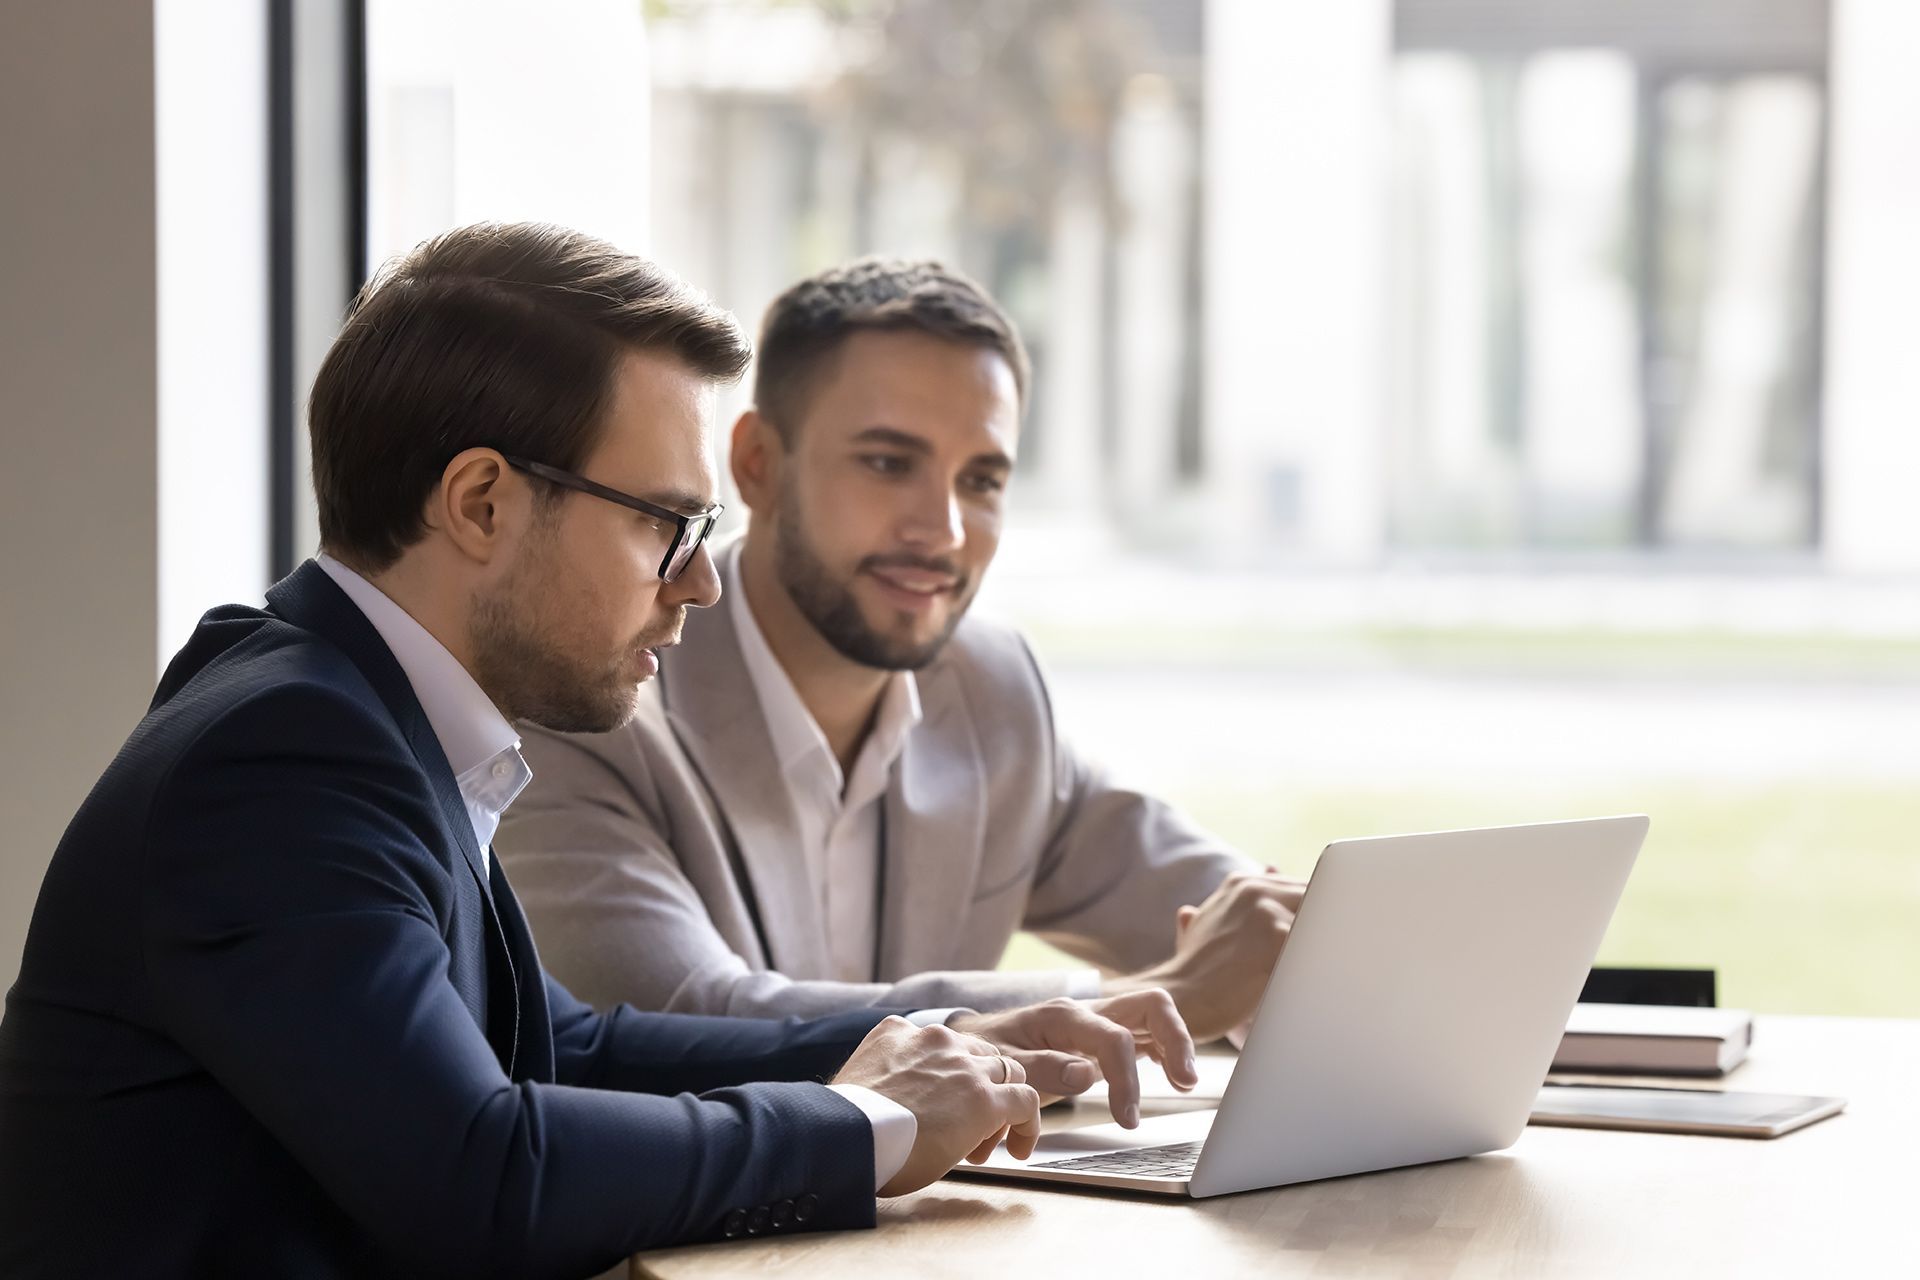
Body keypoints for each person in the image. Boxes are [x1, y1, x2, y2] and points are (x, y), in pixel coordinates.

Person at [0, 224, 1196, 1280]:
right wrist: (870, 1124)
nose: (702, 580)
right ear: (479, 502)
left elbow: (564, 1045)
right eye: (666, 524)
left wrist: (936, 1044)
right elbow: (484, 1177)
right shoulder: (284, 758)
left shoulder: (346, 708)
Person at [496, 258, 1305, 1044]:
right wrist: (1154, 1004)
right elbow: (692, 1020)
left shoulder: (990, 689)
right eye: (888, 464)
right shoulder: (592, 695)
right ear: (758, 466)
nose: (943, 531)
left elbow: (1238, 923)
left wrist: (1308, 939)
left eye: (982, 481)